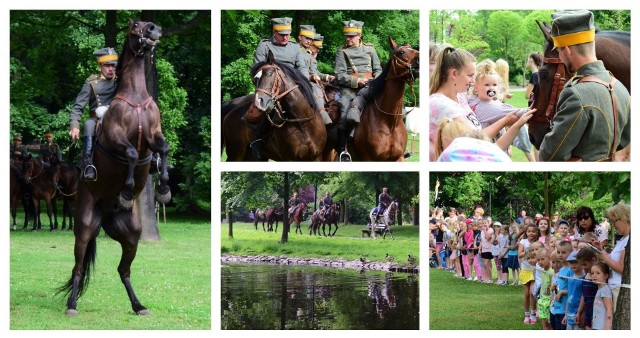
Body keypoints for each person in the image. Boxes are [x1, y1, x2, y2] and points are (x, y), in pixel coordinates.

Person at [539, 10, 630, 161]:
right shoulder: (620, 87)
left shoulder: (576, 94)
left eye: (559, 50)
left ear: (567, 50)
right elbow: (625, 138)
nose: (560, 56)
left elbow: (550, 155)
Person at [428, 45, 519, 161]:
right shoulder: (441, 104)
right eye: (470, 76)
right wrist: (506, 120)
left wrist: (517, 123)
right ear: (454, 74)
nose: (472, 81)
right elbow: (475, 142)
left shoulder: (460, 96)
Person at [250, 17, 310, 161]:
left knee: (315, 98)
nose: (285, 37)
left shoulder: (295, 47)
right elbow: (257, 69)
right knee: (267, 107)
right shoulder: (264, 45)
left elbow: (301, 66)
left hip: (293, 85)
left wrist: (304, 81)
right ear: (274, 32)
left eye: (287, 34)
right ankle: (257, 141)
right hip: (271, 85)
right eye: (282, 34)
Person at [333, 19, 382, 161]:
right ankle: (343, 151)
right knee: (344, 115)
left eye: (351, 36)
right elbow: (339, 75)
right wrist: (357, 81)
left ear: (359, 35)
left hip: (370, 87)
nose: (348, 39)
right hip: (349, 90)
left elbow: (378, 69)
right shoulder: (342, 51)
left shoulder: (370, 49)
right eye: (346, 36)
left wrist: (375, 82)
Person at [70, 47, 118, 181]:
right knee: (88, 125)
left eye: (113, 65)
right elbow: (78, 106)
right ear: (100, 65)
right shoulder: (91, 82)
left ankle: (154, 158)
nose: (111, 69)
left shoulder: (121, 80)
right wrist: (74, 126)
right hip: (97, 118)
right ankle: (88, 165)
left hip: (119, 117)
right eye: (107, 65)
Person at [297, 25, 333, 126]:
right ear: (300, 37)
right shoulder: (295, 49)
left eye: (311, 39)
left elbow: (314, 71)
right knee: (316, 89)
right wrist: (310, 77)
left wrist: (327, 77)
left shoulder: (309, 55)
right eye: (307, 38)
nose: (309, 41)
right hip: (296, 80)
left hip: (307, 80)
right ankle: (321, 112)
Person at [599, 201, 629, 313]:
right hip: (613, 287)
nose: (613, 225)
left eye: (614, 221)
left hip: (619, 288)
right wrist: (600, 250)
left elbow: (623, 268)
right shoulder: (622, 239)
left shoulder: (629, 240)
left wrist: (605, 258)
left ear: (624, 218)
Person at [564, 250, 585, 330]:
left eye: (575, 262)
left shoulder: (584, 278)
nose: (573, 264)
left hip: (578, 315)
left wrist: (580, 313)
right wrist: (565, 314)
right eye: (570, 262)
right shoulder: (570, 277)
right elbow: (569, 296)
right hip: (569, 314)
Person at [591, 262, 613, 330]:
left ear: (606, 276)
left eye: (598, 273)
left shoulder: (604, 289)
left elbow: (609, 308)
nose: (594, 275)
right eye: (592, 273)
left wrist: (607, 326)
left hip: (603, 327)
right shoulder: (600, 289)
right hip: (597, 326)